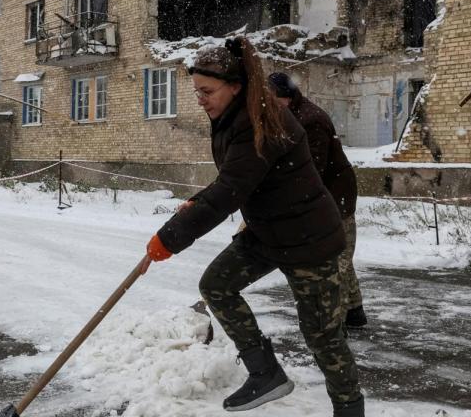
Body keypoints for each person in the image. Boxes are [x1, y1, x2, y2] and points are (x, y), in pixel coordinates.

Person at [145, 38, 365, 416]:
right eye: (196, 90)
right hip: (268, 231)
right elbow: (234, 179)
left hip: (309, 238)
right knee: (217, 284)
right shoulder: (235, 114)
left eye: (207, 91)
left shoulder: (261, 122)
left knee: (322, 336)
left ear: (235, 86)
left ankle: (349, 409)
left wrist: (171, 236)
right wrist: (198, 202)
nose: (200, 99)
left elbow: (231, 189)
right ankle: (264, 372)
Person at [268, 72, 366, 328]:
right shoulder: (291, 115)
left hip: (335, 197)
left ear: (286, 97)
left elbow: (311, 170)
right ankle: (355, 311)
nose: (268, 106)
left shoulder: (310, 120)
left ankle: (336, 325)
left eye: (272, 100)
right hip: (324, 194)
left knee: (336, 261)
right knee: (341, 256)